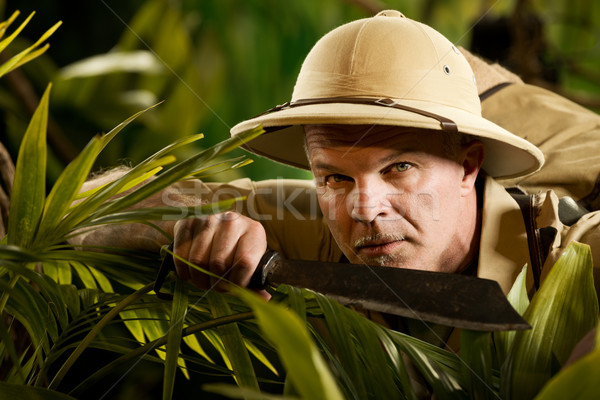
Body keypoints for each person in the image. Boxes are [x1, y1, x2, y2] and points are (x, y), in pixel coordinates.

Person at [74, 10, 600, 334]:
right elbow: (99, 207)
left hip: (558, 143)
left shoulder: (567, 254)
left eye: (398, 168)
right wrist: (199, 230)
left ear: (468, 164)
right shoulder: (318, 222)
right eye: (334, 177)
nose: (363, 209)